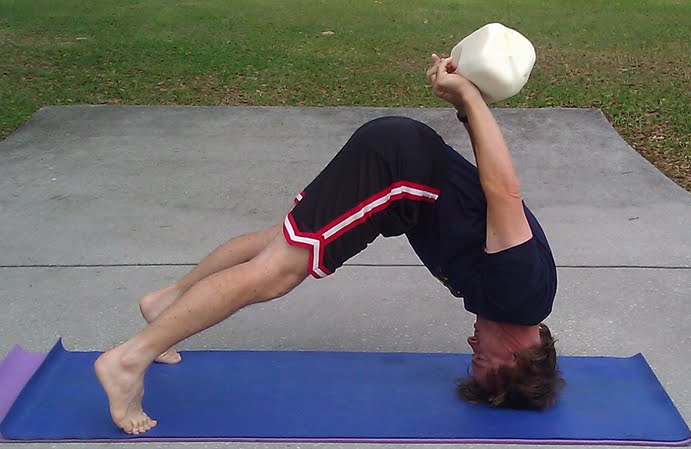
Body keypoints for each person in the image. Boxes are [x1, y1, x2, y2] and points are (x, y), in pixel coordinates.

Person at [94, 54, 563, 435]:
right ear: (516, 360)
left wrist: (466, 107)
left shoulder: (513, 301)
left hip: (400, 176)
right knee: (278, 273)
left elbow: (487, 195)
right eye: (480, 356)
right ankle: (128, 360)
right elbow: (504, 191)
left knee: (278, 242)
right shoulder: (518, 293)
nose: (470, 342)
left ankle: (166, 303)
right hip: (398, 173)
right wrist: (467, 97)